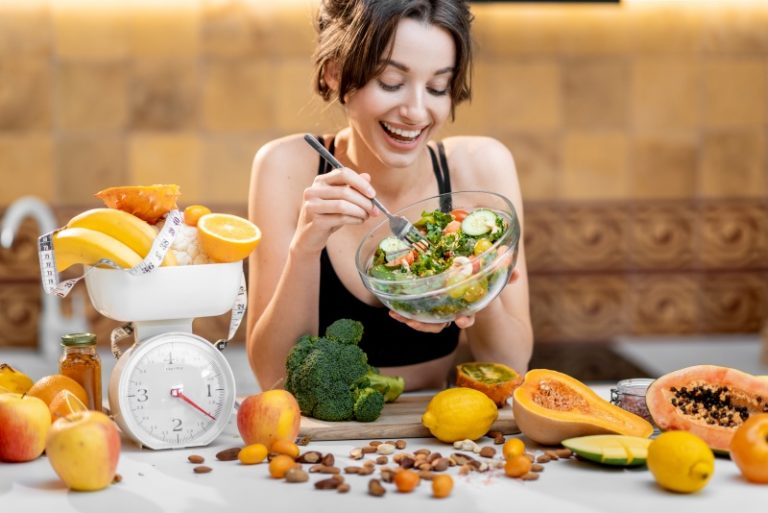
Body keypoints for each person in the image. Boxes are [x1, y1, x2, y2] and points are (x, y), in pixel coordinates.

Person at [247, 0, 532, 391]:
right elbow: (273, 378)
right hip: (325, 441)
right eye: (391, 83)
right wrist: (306, 248)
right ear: (335, 73)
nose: (416, 112)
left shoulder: (482, 167)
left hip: (436, 434)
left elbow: (511, 365)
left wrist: (480, 285)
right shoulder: (286, 167)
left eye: (437, 87)